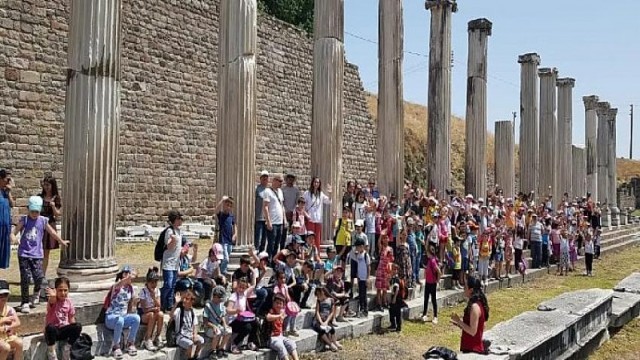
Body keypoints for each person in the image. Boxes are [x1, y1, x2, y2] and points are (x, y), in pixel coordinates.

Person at [11, 196, 69, 314]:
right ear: (28, 209)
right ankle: (25, 302)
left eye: (37, 211)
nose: (34, 214)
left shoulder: (43, 220)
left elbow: (52, 232)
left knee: (39, 277)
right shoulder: (25, 220)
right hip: (24, 254)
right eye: (32, 211)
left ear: (40, 210)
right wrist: (13, 238)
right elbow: (14, 232)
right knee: (25, 278)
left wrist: (61, 241)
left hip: (37, 254)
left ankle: (36, 292)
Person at [104, 266, 140, 358]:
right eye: (126, 273)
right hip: (111, 317)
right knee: (119, 320)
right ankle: (116, 347)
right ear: (121, 275)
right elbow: (120, 284)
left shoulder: (130, 289)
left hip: (123, 316)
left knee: (136, 318)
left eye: (129, 273)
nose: (128, 276)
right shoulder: (116, 286)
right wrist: (128, 277)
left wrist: (133, 307)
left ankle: (130, 343)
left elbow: (130, 305)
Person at [451, 275, 490, 354]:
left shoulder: (475, 307)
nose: (463, 288)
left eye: (465, 286)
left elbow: (473, 331)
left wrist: (459, 321)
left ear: (471, 290)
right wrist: (459, 324)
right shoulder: (477, 303)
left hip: (473, 349)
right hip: (470, 347)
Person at [45, 277, 81, 360]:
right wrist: (53, 295)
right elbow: (52, 300)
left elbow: (71, 319)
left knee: (78, 326)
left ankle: (67, 348)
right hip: (53, 332)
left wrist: (75, 333)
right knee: (50, 327)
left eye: (65, 290)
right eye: (60, 290)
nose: (63, 293)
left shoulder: (69, 302)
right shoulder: (53, 301)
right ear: (56, 290)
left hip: (63, 330)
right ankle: (52, 353)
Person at [161, 210, 184, 311]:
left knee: (173, 285)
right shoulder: (169, 231)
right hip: (168, 263)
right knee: (168, 284)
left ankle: (169, 305)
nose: (181, 221)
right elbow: (169, 247)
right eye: (179, 219)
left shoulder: (179, 231)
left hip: (175, 263)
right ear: (174, 220)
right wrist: (173, 240)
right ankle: (162, 302)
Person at [226, 278, 257, 354]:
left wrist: (253, 271)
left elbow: (253, 285)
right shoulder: (233, 296)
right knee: (247, 327)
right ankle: (234, 344)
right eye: (240, 287)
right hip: (233, 320)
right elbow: (228, 310)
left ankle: (250, 342)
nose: (241, 289)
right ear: (237, 286)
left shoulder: (245, 293)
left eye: (243, 288)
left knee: (256, 322)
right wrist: (236, 311)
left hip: (242, 319)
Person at [39, 175, 62, 278]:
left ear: (53, 186)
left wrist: (52, 205)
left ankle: (42, 274)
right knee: (37, 250)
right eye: (45, 184)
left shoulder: (56, 198)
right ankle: (36, 273)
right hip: (39, 224)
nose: (46, 187)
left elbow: (57, 214)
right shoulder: (39, 197)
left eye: (48, 185)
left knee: (46, 252)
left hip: (50, 223)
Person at [267, 294, 300, 360]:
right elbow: (268, 317)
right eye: (277, 303)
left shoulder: (282, 312)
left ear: (283, 305)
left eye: (280, 304)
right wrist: (279, 316)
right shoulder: (271, 311)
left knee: (291, 343)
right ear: (273, 303)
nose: (278, 305)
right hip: (271, 338)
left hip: (280, 336)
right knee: (281, 347)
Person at [138, 267, 163, 351]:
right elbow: (144, 309)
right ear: (147, 282)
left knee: (161, 314)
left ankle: (158, 336)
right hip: (144, 315)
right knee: (152, 315)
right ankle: (147, 339)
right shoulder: (143, 292)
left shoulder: (157, 291)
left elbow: (159, 305)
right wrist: (153, 309)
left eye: (156, 282)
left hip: (154, 312)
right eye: (152, 282)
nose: (154, 284)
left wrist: (154, 297)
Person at [174, 289, 204, 360]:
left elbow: (195, 324)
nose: (184, 300)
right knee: (190, 344)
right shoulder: (179, 311)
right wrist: (176, 303)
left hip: (190, 335)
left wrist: (195, 335)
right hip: (180, 336)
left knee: (201, 341)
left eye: (188, 299)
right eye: (184, 299)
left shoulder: (192, 312)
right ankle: (189, 358)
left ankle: (195, 356)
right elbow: (171, 315)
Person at [303, 177, 332, 249]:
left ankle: (317, 255)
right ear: (312, 183)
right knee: (310, 238)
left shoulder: (321, 194)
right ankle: (310, 255)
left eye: (318, 182)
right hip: (310, 219)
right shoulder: (307, 193)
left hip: (318, 219)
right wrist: (306, 215)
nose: (316, 184)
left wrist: (330, 193)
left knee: (317, 239)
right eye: (315, 182)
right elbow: (302, 205)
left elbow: (328, 201)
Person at [203, 285, 231, 358]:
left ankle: (221, 349)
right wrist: (213, 326)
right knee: (217, 333)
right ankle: (213, 351)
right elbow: (205, 322)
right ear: (215, 296)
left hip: (218, 325)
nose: (221, 300)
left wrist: (225, 324)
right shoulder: (208, 306)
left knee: (228, 332)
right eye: (220, 298)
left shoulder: (221, 305)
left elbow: (222, 316)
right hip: (209, 328)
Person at [264, 173, 287, 260]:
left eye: (282, 181)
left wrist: (284, 220)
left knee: (277, 243)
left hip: (280, 222)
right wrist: (268, 221)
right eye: (280, 181)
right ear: (274, 180)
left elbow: (282, 206)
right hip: (272, 222)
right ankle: (268, 261)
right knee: (271, 243)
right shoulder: (267, 191)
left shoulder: (280, 192)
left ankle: (274, 261)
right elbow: (265, 207)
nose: (281, 183)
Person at [312, 287, 341, 352]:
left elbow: (332, 312)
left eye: (318, 294)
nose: (317, 296)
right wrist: (321, 322)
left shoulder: (331, 300)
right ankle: (330, 344)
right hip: (318, 321)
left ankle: (335, 342)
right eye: (316, 295)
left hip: (326, 320)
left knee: (332, 329)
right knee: (321, 330)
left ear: (323, 293)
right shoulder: (318, 301)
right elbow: (317, 312)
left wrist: (326, 321)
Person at [0, 280, 22, 360]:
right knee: (6, 347)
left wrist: (8, 328)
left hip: (5, 336)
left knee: (19, 343)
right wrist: (4, 320)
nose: (3, 297)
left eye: (5, 295)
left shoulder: (9, 309)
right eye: (0, 295)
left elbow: (17, 322)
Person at [272, 270, 298, 337]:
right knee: (288, 314)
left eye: (284, 278)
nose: (283, 280)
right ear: (277, 279)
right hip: (279, 306)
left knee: (293, 312)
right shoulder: (276, 288)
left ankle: (292, 329)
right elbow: (275, 298)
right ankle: (284, 330)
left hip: (284, 305)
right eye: (281, 278)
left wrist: (291, 305)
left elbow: (287, 296)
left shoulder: (285, 286)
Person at [216, 196, 237, 275]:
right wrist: (222, 200)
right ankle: (222, 273)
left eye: (230, 206)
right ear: (224, 205)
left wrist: (235, 234)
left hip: (229, 240)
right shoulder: (221, 215)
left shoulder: (231, 216)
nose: (228, 207)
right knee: (226, 259)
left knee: (225, 258)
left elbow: (235, 225)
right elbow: (216, 210)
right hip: (223, 240)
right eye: (227, 205)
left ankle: (220, 272)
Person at [374, 232, 393, 312]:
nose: (385, 239)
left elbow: (392, 259)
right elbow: (378, 243)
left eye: (386, 238)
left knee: (385, 288)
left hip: (386, 270)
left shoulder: (390, 249)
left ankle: (384, 302)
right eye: (384, 238)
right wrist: (381, 234)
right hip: (380, 269)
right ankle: (379, 304)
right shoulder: (381, 247)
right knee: (379, 288)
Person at [422, 245, 440, 324]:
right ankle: (424, 314)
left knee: (433, 300)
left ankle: (435, 316)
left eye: (427, 252)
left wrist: (437, 281)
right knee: (426, 299)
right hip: (428, 282)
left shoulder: (432, 261)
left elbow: (439, 271)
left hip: (432, 283)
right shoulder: (429, 260)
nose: (426, 254)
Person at [0, 169, 14, 270]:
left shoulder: (5, 192)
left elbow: (12, 204)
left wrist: (9, 192)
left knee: (2, 251)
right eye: (6, 179)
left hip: (5, 226)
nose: (8, 181)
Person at [255, 170, 270, 252]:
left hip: (266, 219)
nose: (265, 179)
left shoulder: (269, 191)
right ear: (260, 179)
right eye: (263, 177)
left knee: (264, 240)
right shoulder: (256, 189)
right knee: (258, 239)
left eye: (266, 178)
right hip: (259, 218)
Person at [388, 264, 406, 332]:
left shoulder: (396, 279)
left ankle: (398, 327)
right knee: (391, 311)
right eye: (393, 269)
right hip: (394, 297)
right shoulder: (392, 278)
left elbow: (397, 289)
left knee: (397, 313)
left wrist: (394, 298)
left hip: (397, 298)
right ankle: (393, 325)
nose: (394, 271)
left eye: (395, 270)